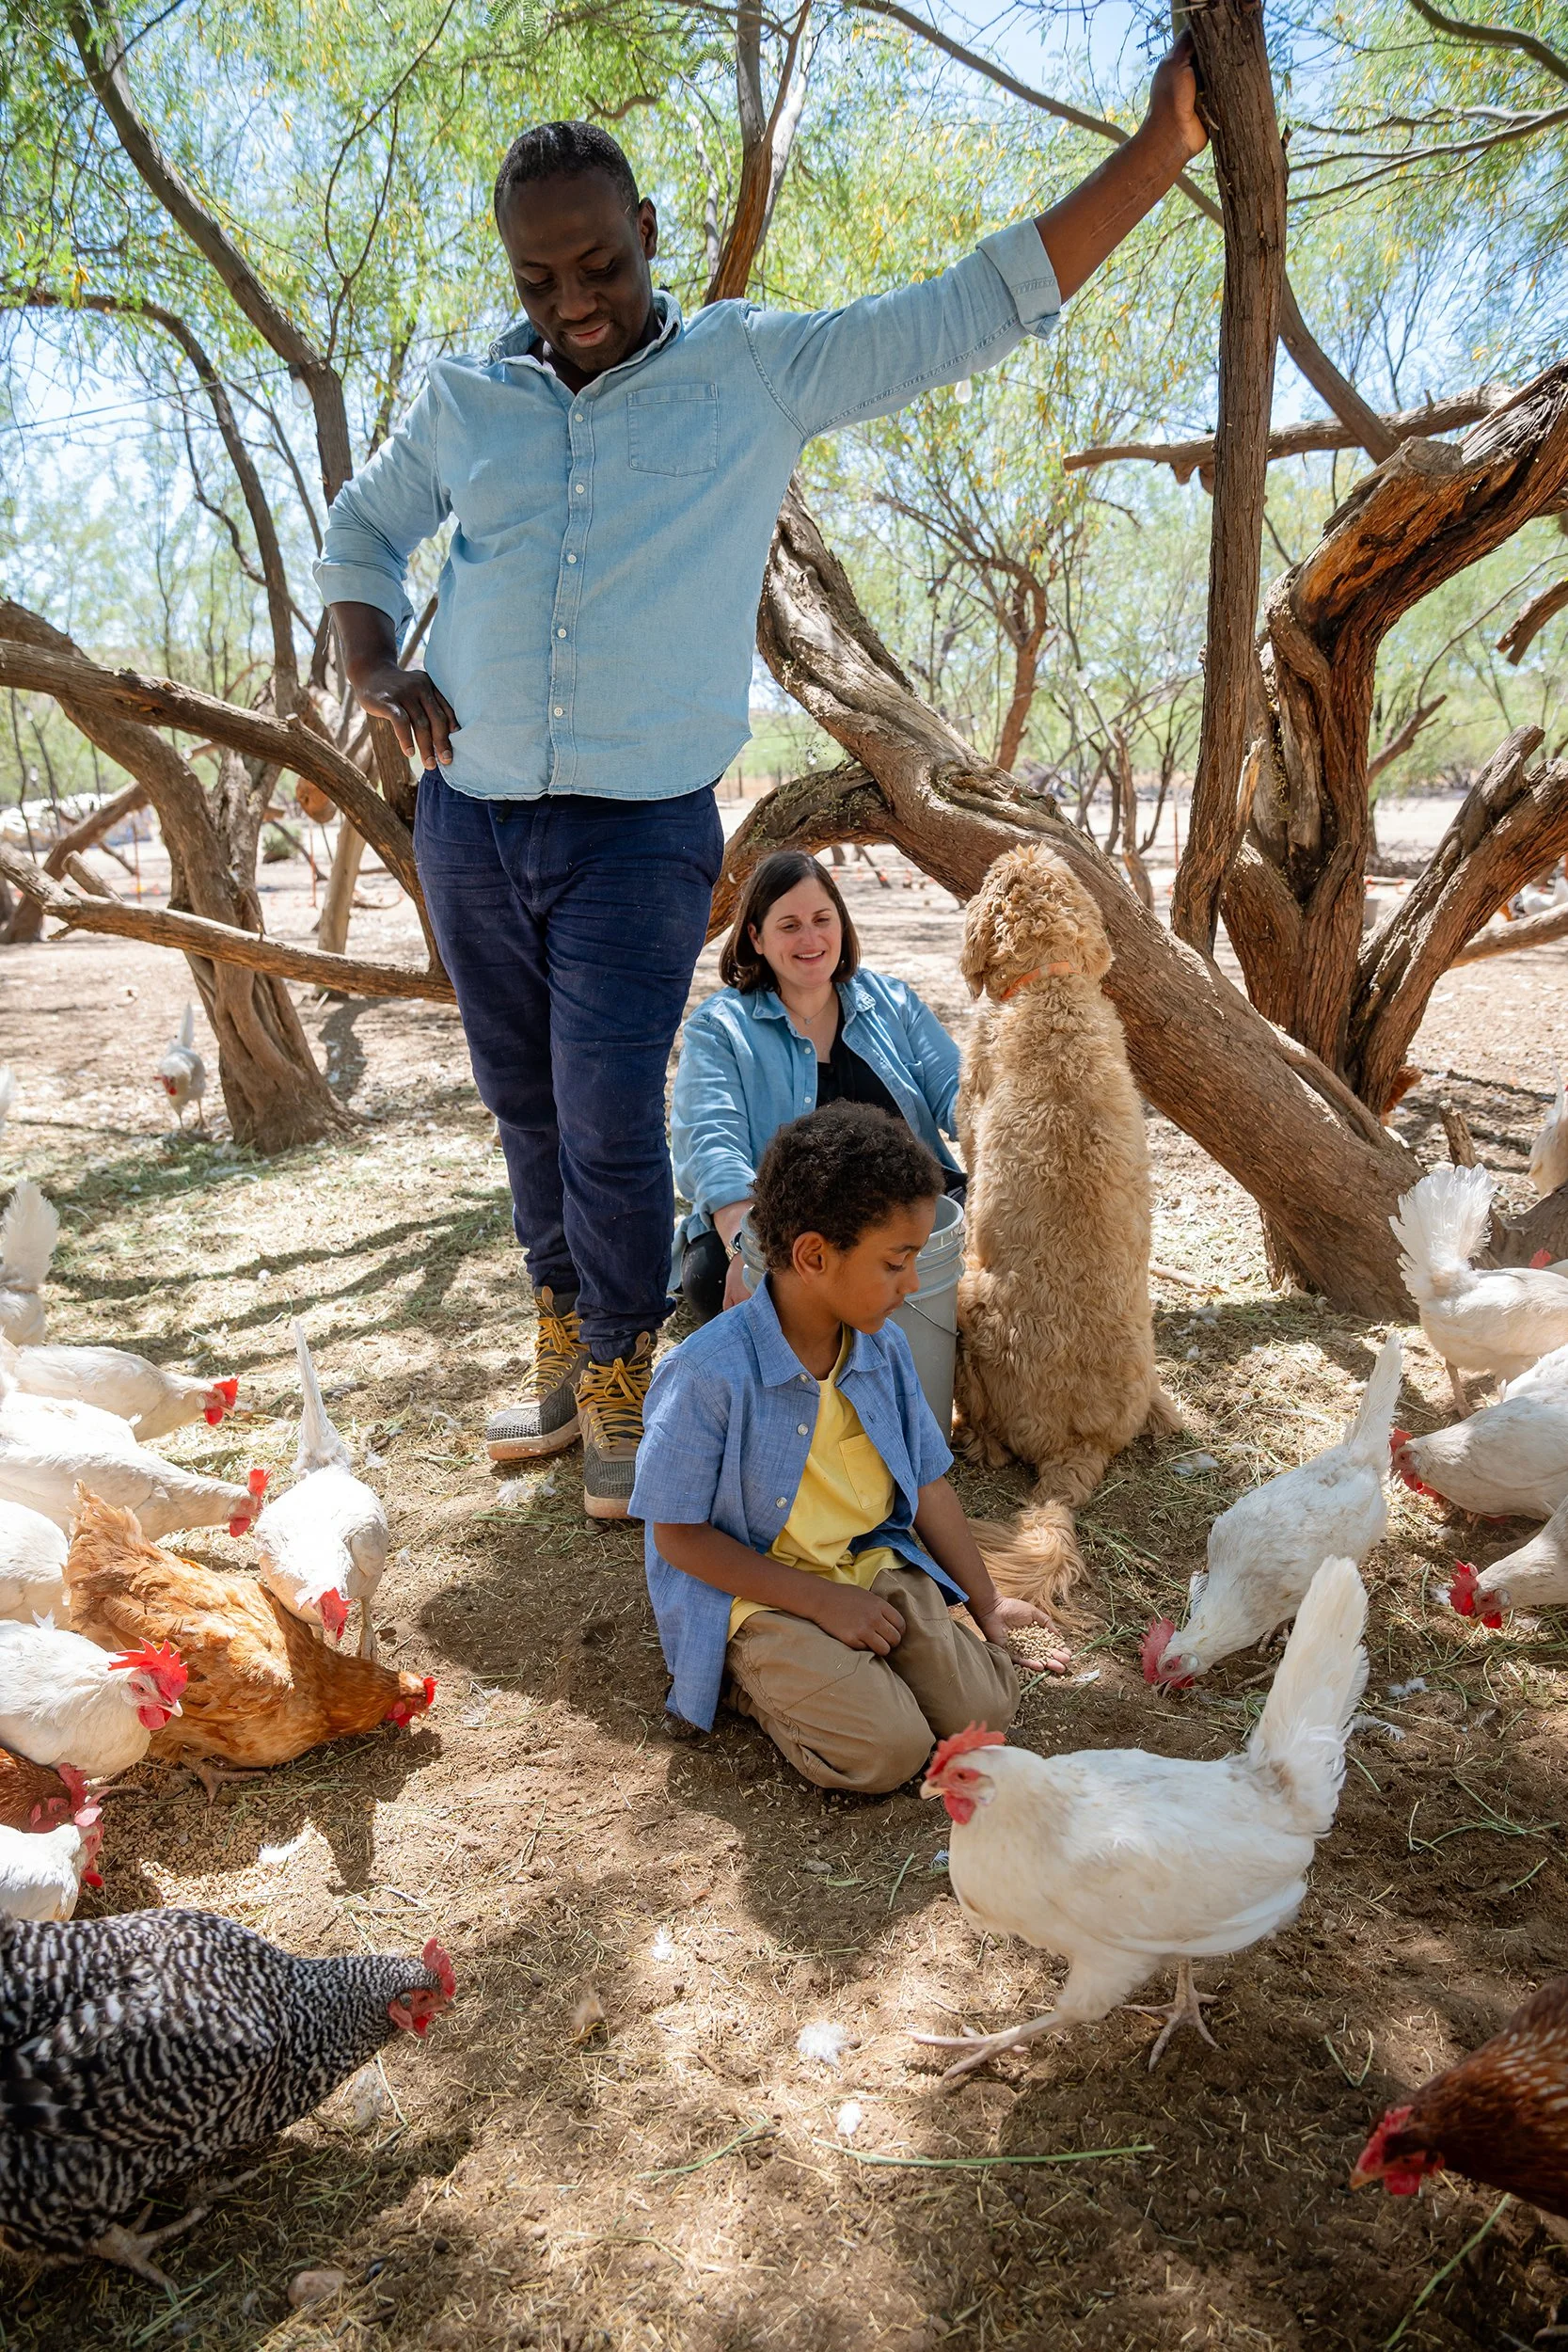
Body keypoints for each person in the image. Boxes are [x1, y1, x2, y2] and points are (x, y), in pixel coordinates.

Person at [314, 49, 1208, 1518]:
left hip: (634, 828)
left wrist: (1157, 150)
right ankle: (564, 1329)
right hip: (465, 816)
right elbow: (359, 539)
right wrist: (371, 670)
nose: (571, 302)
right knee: (522, 1106)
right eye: (537, 282)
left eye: (595, 262)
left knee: (606, 1110)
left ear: (648, 229)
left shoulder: (747, 366)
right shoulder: (467, 397)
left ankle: (615, 1358)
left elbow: (963, 310)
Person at [630, 1104, 1066, 1790]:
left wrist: (985, 1604)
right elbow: (678, 1539)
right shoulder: (706, 1374)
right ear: (812, 1256)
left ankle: (853, 1666)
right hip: (759, 1593)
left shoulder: (882, 1347)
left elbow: (927, 1486)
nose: (913, 1284)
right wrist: (819, 1603)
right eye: (895, 1262)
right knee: (884, 1754)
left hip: (867, 1565)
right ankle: (740, 1676)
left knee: (984, 1713)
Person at [672, 850, 963, 1322]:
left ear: (842, 926)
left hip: (912, 1215)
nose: (810, 939)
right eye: (789, 925)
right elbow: (711, 1147)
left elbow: (961, 1094)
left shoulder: (893, 1003)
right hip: (788, 1228)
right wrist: (752, 1248)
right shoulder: (720, 1029)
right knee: (710, 1275)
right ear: (756, 937)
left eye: (822, 919)